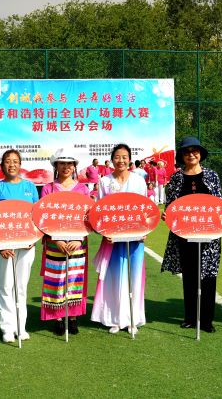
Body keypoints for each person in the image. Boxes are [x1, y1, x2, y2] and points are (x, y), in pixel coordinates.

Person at [161, 137, 222, 333]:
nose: (191, 155)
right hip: (184, 236)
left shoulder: (211, 175)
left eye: (195, 151)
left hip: (209, 236)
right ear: (182, 156)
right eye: (187, 152)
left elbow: (219, 204)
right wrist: (166, 215)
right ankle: (190, 317)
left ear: (200, 154)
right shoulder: (176, 178)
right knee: (189, 277)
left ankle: (206, 320)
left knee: (208, 277)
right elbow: (170, 206)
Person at [91, 143, 148, 334]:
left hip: (135, 239)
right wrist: (104, 233)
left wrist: (145, 230)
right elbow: (100, 211)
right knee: (113, 278)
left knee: (134, 278)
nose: (121, 160)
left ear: (130, 159)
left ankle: (132, 319)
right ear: (112, 159)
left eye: (124, 157)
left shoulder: (138, 181)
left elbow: (145, 210)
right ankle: (115, 318)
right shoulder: (105, 182)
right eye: (117, 157)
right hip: (112, 240)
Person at [0, 149, 39, 343]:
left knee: (21, 287)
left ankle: (21, 327)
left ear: (20, 164)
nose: (12, 164)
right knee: (6, 286)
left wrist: (33, 239)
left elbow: (37, 217)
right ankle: (7, 329)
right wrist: (0, 246)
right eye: (8, 161)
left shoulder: (30, 187)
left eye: (15, 161)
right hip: (4, 248)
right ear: (2, 165)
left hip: (27, 246)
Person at [39, 148, 90, 335]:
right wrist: (56, 239)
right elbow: (43, 216)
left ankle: (73, 316)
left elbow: (88, 217)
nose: (66, 167)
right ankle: (58, 317)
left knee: (74, 279)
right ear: (56, 166)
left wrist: (78, 238)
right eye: (62, 163)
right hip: (55, 243)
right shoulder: (48, 188)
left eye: (70, 163)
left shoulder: (83, 189)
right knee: (57, 279)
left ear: (74, 166)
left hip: (77, 242)